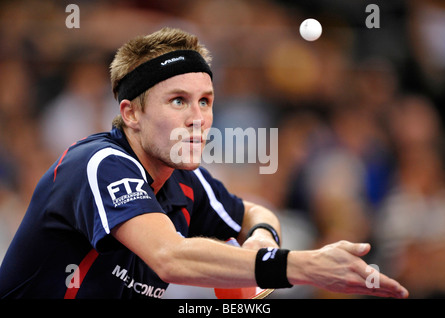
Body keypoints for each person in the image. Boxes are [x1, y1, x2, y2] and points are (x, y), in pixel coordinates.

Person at [0, 27, 408, 299]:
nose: (198, 117)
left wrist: (263, 239)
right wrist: (306, 265)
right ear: (131, 114)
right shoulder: (98, 163)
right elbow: (170, 257)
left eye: (206, 101)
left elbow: (252, 211)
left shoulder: (187, 181)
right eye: (178, 100)